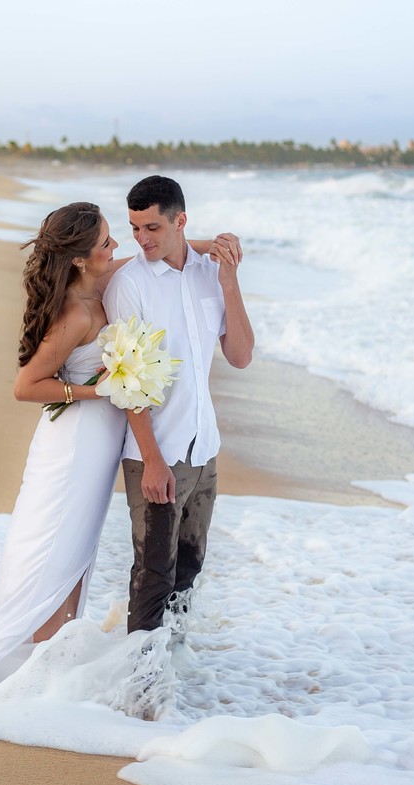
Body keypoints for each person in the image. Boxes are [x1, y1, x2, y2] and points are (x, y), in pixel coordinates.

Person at [0, 201, 241, 691]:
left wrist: (214, 249)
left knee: (78, 546)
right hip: (74, 441)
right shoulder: (76, 313)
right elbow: (25, 386)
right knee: (57, 544)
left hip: (100, 439)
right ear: (80, 257)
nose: (116, 245)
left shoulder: (99, 281)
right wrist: (96, 390)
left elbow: (158, 253)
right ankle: (39, 654)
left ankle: (54, 651)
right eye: (105, 241)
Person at [103, 176, 254, 634]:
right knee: (152, 581)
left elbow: (241, 355)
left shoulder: (211, 274)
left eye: (152, 227)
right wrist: (151, 460)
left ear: (179, 220)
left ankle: (173, 673)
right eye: (134, 228)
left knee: (188, 575)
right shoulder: (130, 284)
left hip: (203, 447)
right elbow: (126, 380)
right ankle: (138, 695)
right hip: (157, 454)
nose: (142, 239)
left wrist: (229, 281)